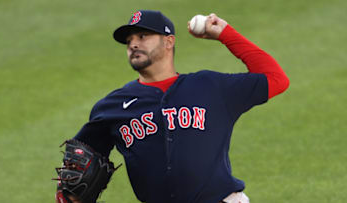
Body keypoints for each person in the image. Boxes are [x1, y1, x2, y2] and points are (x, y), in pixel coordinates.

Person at [56, 10, 289, 203]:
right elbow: (79, 165)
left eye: (143, 36)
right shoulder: (112, 107)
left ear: (169, 41)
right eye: (129, 41)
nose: (133, 44)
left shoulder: (210, 86)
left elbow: (276, 79)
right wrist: (69, 194)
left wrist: (226, 34)